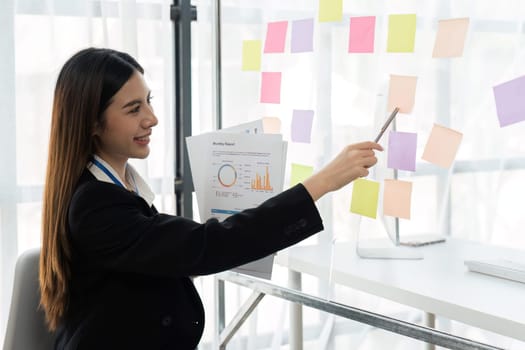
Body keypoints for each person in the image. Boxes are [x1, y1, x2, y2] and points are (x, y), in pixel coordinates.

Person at [39, 47, 383, 349]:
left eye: (149, 101)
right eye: (133, 109)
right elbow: (205, 247)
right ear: (93, 124)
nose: (152, 118)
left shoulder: (119, 187)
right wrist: (322, 182)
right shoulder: (94, 206)